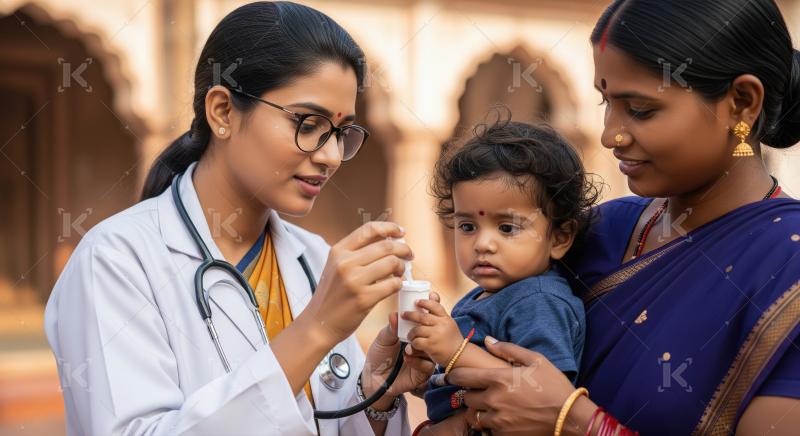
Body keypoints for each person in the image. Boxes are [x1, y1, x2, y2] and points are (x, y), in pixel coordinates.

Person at [44, 2, 433, 435]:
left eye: (341, 132)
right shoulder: (116, 260)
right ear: (223, 112)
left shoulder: (314, 258)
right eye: (308, 123)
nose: (330, 156)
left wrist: (373, 393)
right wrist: (317, 328)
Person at [434, 1, 800, 435]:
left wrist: (576, 424)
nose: (610, 134)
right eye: (606, 102)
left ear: (741, 103)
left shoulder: (786, 267)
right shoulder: (597, 232)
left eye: (641, 110)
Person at [404, 118, 597, 434]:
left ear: (559, 238)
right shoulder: (481, 298)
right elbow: (466, 387)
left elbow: (539, 395)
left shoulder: (538, 301)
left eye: (507, 228)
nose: (482, 244)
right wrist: (428, 374)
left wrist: (455, 350)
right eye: (467, 227)